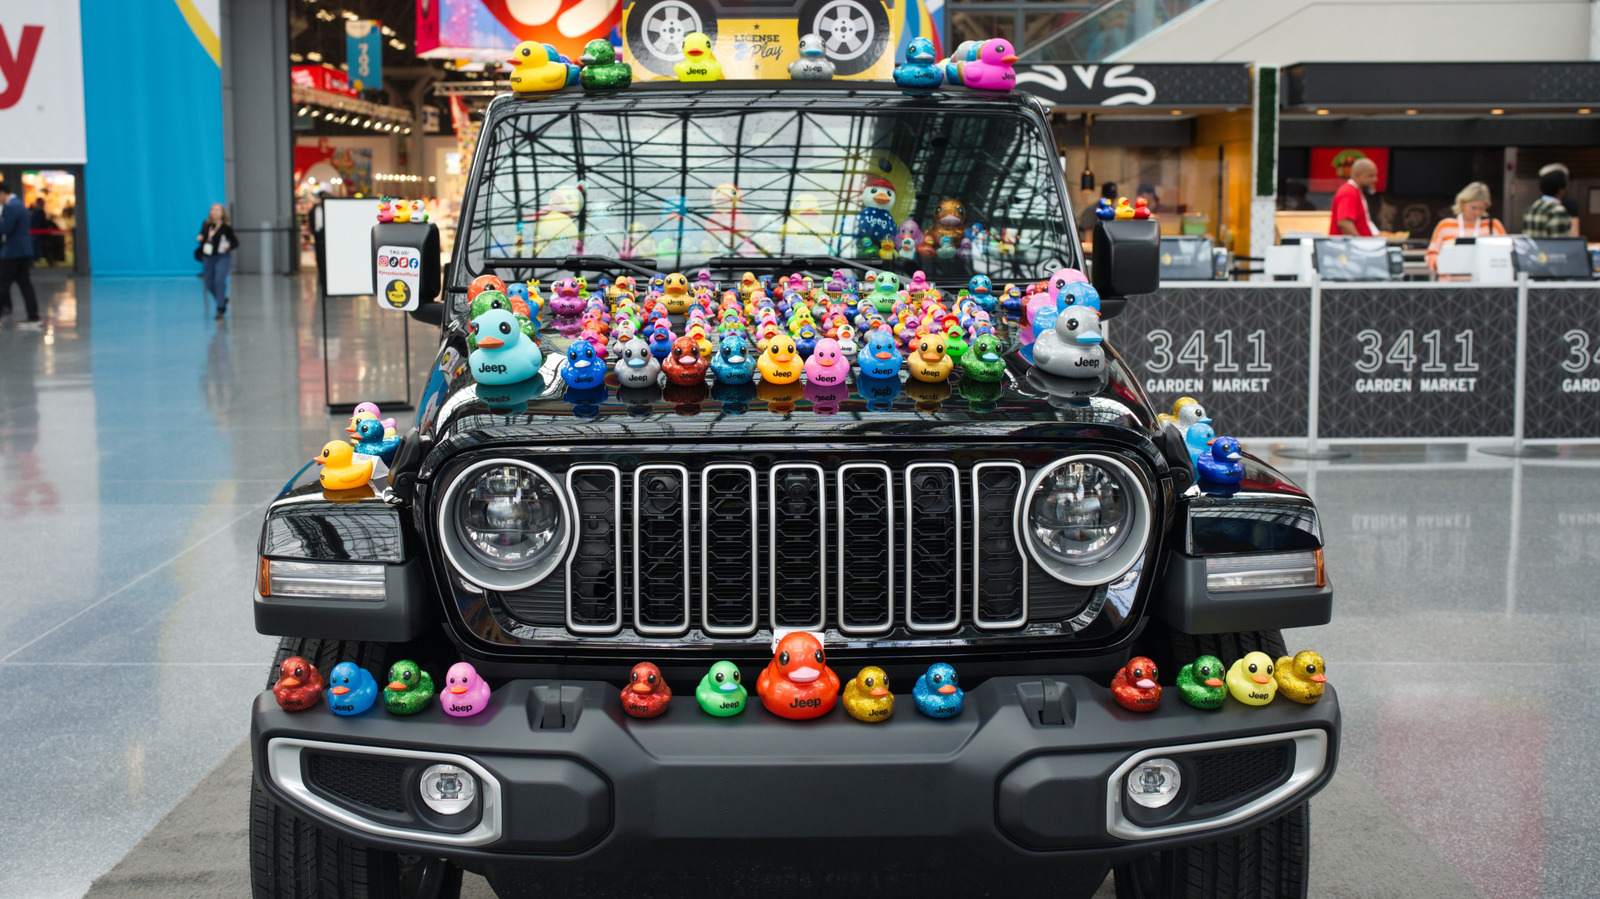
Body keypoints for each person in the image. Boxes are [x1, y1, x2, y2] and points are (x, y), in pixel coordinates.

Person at [1426, 181, 1506, 274]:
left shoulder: (1494, 226)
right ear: (1463, 203)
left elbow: (1505, 255)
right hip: (1450, 284)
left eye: (1481, 208)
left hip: (1484, 284)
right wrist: (1446, 261)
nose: (1477, 212)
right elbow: (1430, 256)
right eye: (1473, 207)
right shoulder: (1445, 226)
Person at [0, 182, 42, 328]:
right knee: (25, 284)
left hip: (13, 252)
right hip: (24, 251)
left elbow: (7, 229)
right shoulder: (19, 204)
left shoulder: (10, 207)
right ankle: (34, 316)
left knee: (3, 283)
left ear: (2, 193)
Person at [197, 203, 237, 319]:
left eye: (217, 210)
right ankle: (222, 299)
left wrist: (228, 246)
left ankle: (220, 307)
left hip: (222, 257)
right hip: (208, 257)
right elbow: (204, 238)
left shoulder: (226, 228)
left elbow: (235, 242)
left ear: (222, 213)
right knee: (209, 282)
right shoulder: (206, 225)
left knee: (219, 280)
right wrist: (201, 238)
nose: (214, 212)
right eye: (212, 210)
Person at [1328, 158, 1380, 236]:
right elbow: (1344, 222)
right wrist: (1359, 244)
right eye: (1371, 176)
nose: (1375, 179)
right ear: (1357, 175)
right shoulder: (1349, 192)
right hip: (1346, 247)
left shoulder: (1355, 191)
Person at [1522, 169, 1577, 239]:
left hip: (1532, 249)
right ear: (1561, 190)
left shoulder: (1530, 208)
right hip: (1548, 249)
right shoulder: (1558, 211)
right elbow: (1560, 242)